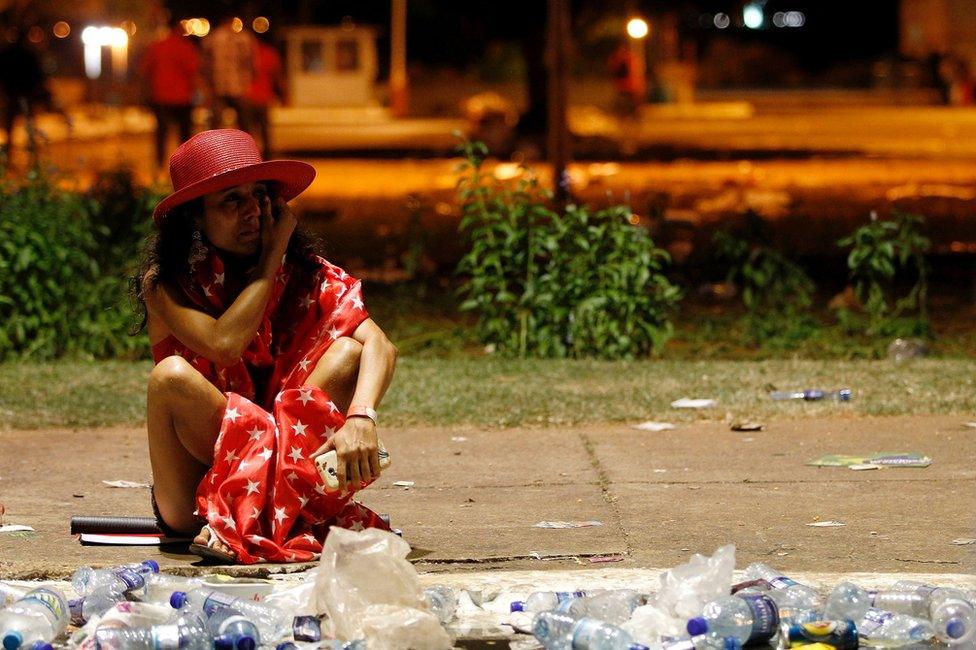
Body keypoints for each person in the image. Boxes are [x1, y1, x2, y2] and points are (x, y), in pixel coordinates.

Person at [134, 129, 398, 564]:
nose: (253, 211)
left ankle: (254, 515)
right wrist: (272, 257)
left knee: (350, 354)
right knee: (171, 378)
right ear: (195, 218)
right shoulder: (165, 286)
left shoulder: (306, 273)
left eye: (259, 195)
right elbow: (225, 344)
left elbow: (380, 345)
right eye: (231, 201)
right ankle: (240, 512)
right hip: (193, 499)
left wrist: (361, 418)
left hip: (284, 476)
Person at [140, 16, 201, 170]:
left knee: (162, 132)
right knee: (185, 136)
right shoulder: (186, 47)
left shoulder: (157, 46)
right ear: (178, 29)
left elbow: (145, 69)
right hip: (182, 97)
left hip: (160, 95)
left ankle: (160, 163)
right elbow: (193, 71)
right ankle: (186, 166)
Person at [201, 15, 257, 132]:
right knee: (243, 120)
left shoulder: (213, 37)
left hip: (221, 84)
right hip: (236, 85)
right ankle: (244, 143)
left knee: (217, 121)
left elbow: (205, 63)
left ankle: (215, 145)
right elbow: (251, 62)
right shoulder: (243, 38)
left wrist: (207, 83)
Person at [244, 33, 284, 159]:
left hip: (248, 96)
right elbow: (277, 76)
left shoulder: (246, 53)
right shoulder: (270, 53)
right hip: (264, 97)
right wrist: (283, 94)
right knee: (265, 130)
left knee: (249, 130)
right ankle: (267, 157)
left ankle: (250, 155)